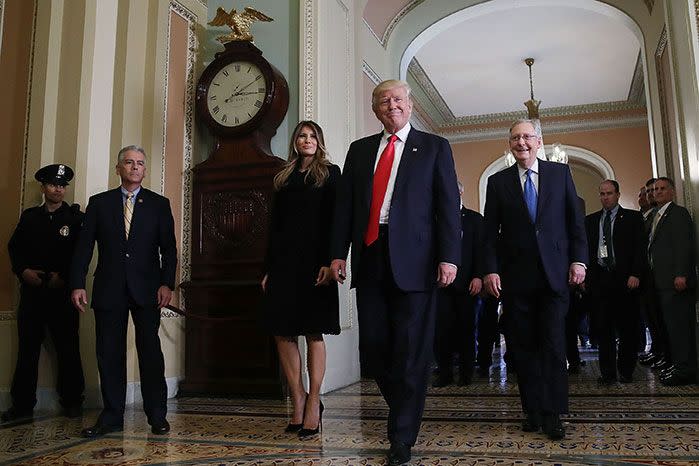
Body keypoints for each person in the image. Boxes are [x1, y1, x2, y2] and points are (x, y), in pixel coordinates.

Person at [330, 79, 460, 465]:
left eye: (398, 99)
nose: (392, 106)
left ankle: (401, 435)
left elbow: (447, 206)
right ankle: (406, 403)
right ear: (375, 109)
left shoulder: (434, 147)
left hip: (417, 259)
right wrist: (338, 253)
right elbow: (346, 208)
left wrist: (449, 256)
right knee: (373, 346)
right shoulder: (359, 151)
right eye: (384, 101)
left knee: (411, 349)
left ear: (410, 104)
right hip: (370, 253)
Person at [483, 119, 587, 441]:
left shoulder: (559, 174)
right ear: (510, 144)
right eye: (516, 138)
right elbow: (489, 234)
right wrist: (490, 268)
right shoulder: (498, 182)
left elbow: (575, 222)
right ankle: (532, 409)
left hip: (555, 277)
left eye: (528, 136)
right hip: (516, 281)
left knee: (554, 347)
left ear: (539, 142)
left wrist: (579, 261)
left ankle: (553, 413)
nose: (522, 142)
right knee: (523, 349)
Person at [70, 145, 177, 437]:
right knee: (109, 352)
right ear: (118, 168)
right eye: (128, 163)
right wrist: (77, 283)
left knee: (150, 353)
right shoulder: (99, 203)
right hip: (109, 288)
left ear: (145, 170)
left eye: (140, 163)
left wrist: (167, 283)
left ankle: (157, 415)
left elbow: (169, 249)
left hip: (148, 290)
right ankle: (112, 416)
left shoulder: (158, 204)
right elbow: (83, 247)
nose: (134, 167)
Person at [261, 121, 340, 439]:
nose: (306, 140)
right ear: (295, 142)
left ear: (319, 142)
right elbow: (274, 225)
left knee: (313, 331)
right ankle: (298, 397)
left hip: (315, 264)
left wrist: (329, 261)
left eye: (312, 136)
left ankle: (314, 400)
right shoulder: (282, 177)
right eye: (301, 136)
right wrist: (267, 269)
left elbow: (336, 220)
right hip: (282, 264)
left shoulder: (330, 173)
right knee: (282, 332)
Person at [3, 164, 85, 422]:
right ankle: (22, 406)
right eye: (52, 185)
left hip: (62, 295)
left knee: (68, 349)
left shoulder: (74, 219)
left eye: (61, 185)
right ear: (43, 187)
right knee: (27, 351)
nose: (57, 189)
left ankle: (72, 402)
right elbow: (14, 248)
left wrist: (66, 278)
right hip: (32, 293)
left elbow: (80, 256)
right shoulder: (29, 217)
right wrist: (23, 271)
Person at [584, 180, 646, 384]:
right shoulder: (591, 221)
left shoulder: (632, 218)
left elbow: (640, 248)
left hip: (625, 280)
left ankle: (626, 370)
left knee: (627, 328)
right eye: (602, 194)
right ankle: (608, 373)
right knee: (604, 330)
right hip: (601, 281)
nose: (605, 197)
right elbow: (587, 252)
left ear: (618, 195)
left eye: (609, 193)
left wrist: (636, 273)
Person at [647, 177, 697, 385]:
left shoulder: (678, 213)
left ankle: (686, 370)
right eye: (655, 189)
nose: (657, 192)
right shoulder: (657, 215)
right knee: (670, 328)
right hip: (662, 282)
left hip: (676, 282)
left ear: (672, 192)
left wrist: (681, 274)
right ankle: (677, 365)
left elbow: (684, 245)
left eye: (662, 188)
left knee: (680, 328)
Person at [433, 181, 483, 387]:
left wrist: (479, 276)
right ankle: (444, 373)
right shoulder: (433, 219)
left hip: (467, 285)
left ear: (461, 192)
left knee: (466, 331)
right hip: (439, 286)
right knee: (440, 332)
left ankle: (466, 373)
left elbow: (481, 250)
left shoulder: (474, 220)